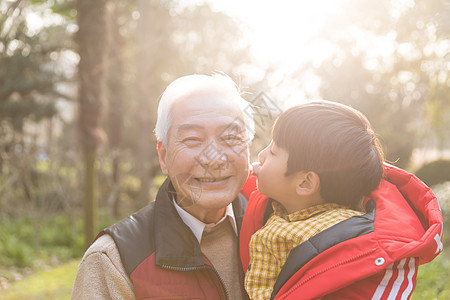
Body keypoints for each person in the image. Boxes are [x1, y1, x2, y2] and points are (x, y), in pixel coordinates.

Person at [72, 74, 255, 299]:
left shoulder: (276, 228)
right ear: (163, 156)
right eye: (193, 139)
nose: (214, 159)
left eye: (230, 137)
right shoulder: (115, 261)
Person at [240, 101, 443, 300]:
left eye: (273, 152)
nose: (261, 154)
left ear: (305, 183)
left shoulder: (331, 241)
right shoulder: (278, 207)